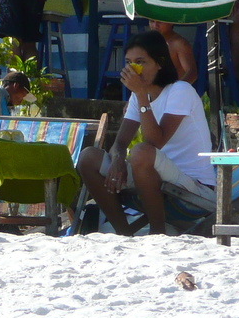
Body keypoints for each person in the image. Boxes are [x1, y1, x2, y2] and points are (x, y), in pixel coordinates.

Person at [76, 30, 215, 235]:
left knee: (141, 152)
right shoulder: (137, 97)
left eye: (140, 61)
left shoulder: (180, 90)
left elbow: (154, 141)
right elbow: (120, 143)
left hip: (193, 185)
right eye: (129, 62)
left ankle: (157, 233)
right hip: (155, 176)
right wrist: (117, 159)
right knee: (88, 157)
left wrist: (141, 94)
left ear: (159, 63)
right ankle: (124, 233)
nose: (134, 68)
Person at [147, 20, 197, 85]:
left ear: (171, 22)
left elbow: (192, 73)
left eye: (160, 22)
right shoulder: (146, 42)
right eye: (152, 21)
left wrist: (175, 89)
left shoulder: (179, 44)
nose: (155, 25)